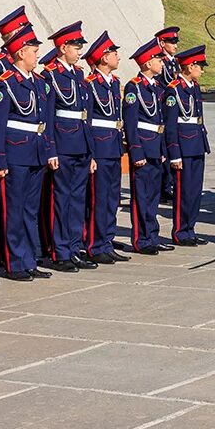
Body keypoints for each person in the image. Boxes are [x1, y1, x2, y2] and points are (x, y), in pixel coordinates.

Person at [0, 25, 57, 280]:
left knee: (30, 210)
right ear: (20, 53)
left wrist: (50, 150)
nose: (38, 55)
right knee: (13, 210)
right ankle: (13, 261)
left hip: (36, 152)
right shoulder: (5, 84)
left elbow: (46, 122)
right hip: (15, 153)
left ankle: (28, 258)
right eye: (34, 51)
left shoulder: (40, 83)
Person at [39, 22, 98, 271]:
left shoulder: (78, 75)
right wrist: (50, 149)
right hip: (62, 144)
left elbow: (86, 116)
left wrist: (91, 151)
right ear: (63, 48)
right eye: (75, 46)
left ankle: (74, 248)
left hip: (81, 145)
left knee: (76, 200)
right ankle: (60, 250)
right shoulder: (50, 76)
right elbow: (48, 116)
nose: (79, 51)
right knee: (60, 200)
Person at [123, 40, 175, 255]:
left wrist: (163, 150)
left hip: (155, 147)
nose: (161, 63)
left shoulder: (157, 88)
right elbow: (131, 123)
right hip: (143, 148)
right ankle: (141, 239)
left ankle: (152, 236)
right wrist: (136, 150)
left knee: (153, 196)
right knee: (142, 196)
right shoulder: (133, 87)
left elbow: (160, 122)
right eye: (157, 59)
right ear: (146, 63)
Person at [82, 31, 129, 264]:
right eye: (114, 53)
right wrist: (90, 152)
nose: (118, 57)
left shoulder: (114, 83)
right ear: (103, 57)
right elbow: (88, 120)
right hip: (99, 146)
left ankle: (106, 240)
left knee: (112, 197)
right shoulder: (90, 84)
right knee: (98, 198)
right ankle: (95, 243)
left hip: (112, 146)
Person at [163, 45, 211, 243]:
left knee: (195, 192)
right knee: (184, 192)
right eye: (199, 66)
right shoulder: (174, 90)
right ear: (190, 67)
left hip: (197, 144)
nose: (202, 69)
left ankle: (190, 229)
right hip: (183, 146)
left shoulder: (194, 87)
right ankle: (181, 232)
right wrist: (174, 154)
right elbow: (171, 125)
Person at [155, 26, 180, 202]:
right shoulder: (161, 62)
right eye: (172, 42)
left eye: (176, 41)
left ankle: (169, 183)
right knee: (165, 148)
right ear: (162, 43)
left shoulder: (175, 62)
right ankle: (165, 186)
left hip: (176, 110)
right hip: (165, 108)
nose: (175, 45)